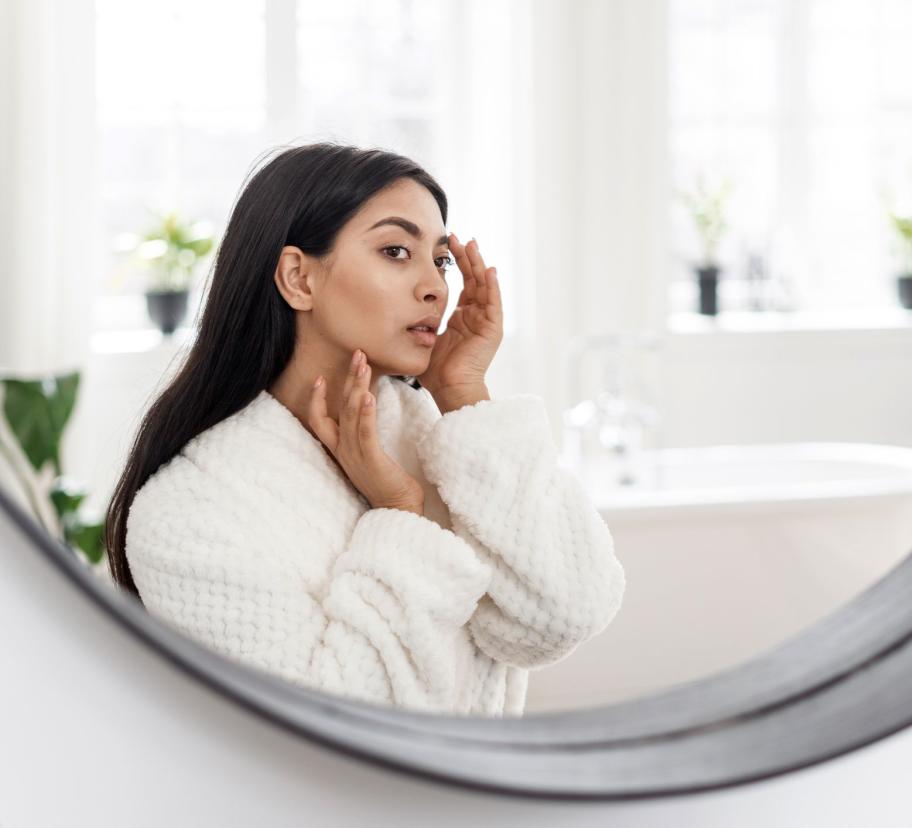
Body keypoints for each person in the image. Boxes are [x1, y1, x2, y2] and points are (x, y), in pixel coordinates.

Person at [103, 142, 625, 717]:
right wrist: (401, 512)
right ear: (298, 277)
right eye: (396, 250)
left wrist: (464, 394)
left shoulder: (435, 440)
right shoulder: (191, 511)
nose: (435, 287)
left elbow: (564, 614)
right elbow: (331, 735)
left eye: (441, 259)